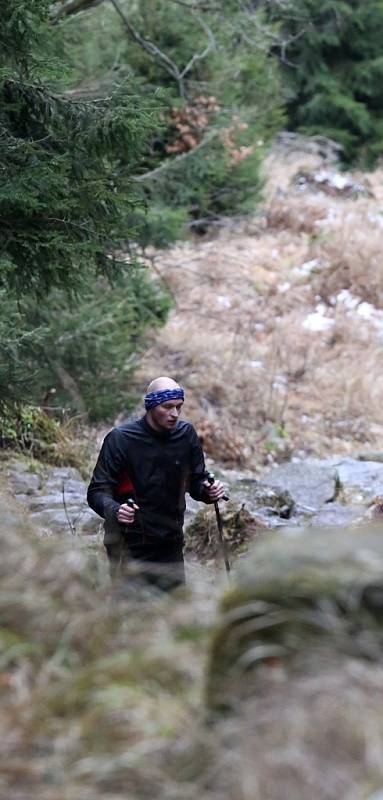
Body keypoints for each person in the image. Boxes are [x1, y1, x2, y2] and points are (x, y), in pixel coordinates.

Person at [87, 376, 225, 591]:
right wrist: (116, 510)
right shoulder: (120, 439)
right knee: (133, 616)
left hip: (171, 542)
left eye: (179, 407)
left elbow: (197, 479)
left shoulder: (185, 435)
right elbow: (96, 492)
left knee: (174, 615)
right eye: (167, 407)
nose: (174, 414)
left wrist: (209, 490)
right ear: (150, 406)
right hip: (128, 544)